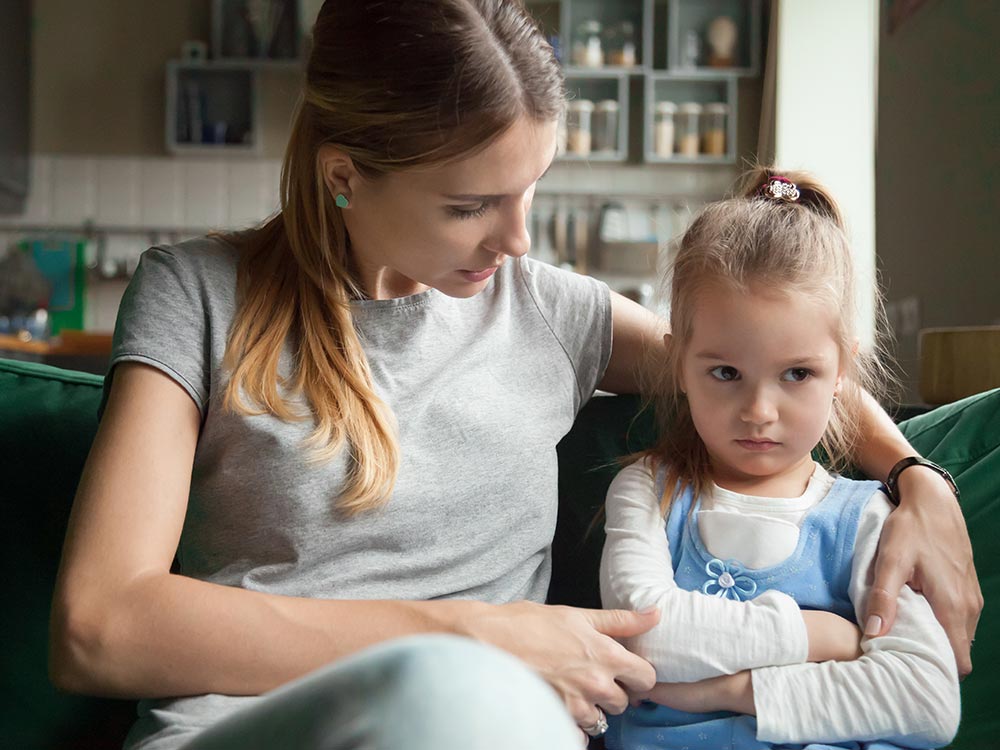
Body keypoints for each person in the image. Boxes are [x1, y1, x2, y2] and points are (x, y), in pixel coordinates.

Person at [47, 1, 977, 748]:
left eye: (530, 190)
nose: (518, 239)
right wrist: (470, 637)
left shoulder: (546, 311)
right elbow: (99, 624)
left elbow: (767, 369)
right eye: (470, 205)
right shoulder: (197, 295)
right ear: (344, 175)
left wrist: (916, 478)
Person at [599, 169, 963, 749]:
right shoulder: (649, 490)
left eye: (797, 374)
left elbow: (928, 702)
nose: (759, 411)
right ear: (679, 366)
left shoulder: (869, 517)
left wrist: (730, 691)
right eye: (725, 373)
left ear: (842, 369)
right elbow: (645, 638)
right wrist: (822, 637)